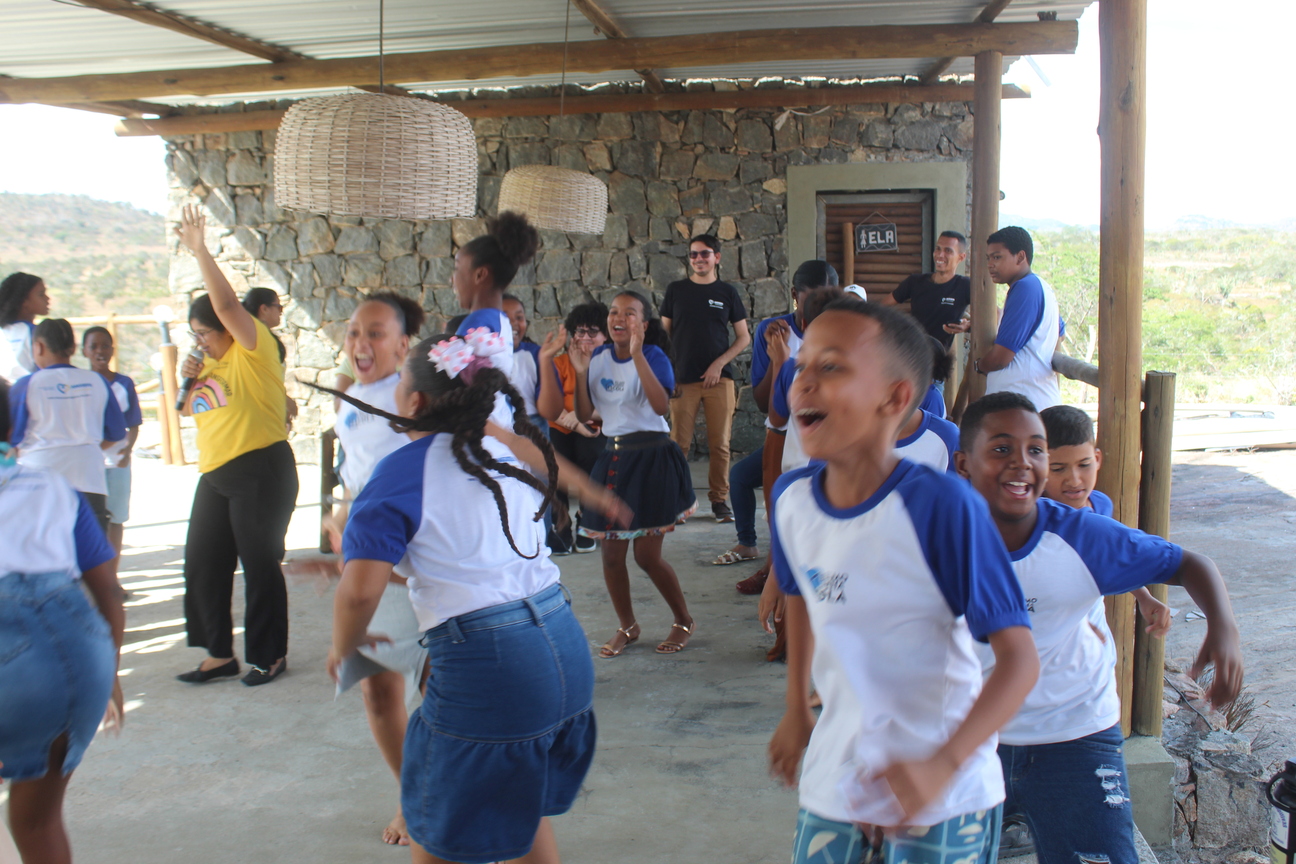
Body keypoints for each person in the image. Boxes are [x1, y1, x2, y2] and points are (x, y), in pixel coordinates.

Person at [766, 297, 1039, 864]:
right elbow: (802, 595)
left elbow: (1019, 661)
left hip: (944, 795)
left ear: (895, 398)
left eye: (831, 366)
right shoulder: (792, 501)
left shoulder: (942, 507)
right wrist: (797, 707)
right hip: (835, 779)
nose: (803, 381)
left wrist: (941, 766)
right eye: (802, 364)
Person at [329, 333, 597, 864]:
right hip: (564, 648)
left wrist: (346, 646)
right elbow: (461, 562)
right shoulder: (498, 452)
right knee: (520, 809)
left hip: (493, 668)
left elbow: (359, 593)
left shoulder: (400, 471)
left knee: (438, 836)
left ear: (415, 402)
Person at [955, 392, 1243, 864]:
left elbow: (1190, 564)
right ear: (964, 463)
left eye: (1035, 450)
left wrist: (1224, 628)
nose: (1022, 463)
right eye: (1002, 449)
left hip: (1075, 735)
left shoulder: (1082, 536)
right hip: (966, 736)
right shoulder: (930, 540)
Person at [0, 377, 125, 864]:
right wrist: (111, 674)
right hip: (82, 653)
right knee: (36, 821)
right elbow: (108, 592)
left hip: (12, 660)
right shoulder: (53, 486)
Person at [174, 204, 298, 687]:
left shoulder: (254, 348)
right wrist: (187, 379)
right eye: (195, 335)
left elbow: (226, 305)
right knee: (202, 562)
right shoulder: (207, 365)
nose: (200, 341)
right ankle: (218, 654)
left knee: (259, 564)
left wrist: (200, 251)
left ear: (228, 328)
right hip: (217, 473)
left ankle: (269, 655)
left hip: (261, 469)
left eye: (203, 333)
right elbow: (190, 411)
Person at [323, 293, 426, 846]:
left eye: (376, 333)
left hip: (422, 571)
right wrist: (340, 520)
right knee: (378, 691)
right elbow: (355, 478)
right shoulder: (350, 402)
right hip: (373, 569)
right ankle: (414, 796)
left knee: (440, 693)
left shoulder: (414, 398)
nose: (361, 344)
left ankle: (451, 797)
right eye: (354, 332)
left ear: (403, 344)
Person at [570, 291, 698, 657]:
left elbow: (659, 406)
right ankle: (627, 626)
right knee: (611, 556)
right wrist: (581, 373)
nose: (618, 318)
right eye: (614, 312)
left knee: (646, 556)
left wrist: (638, 354)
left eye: (629, 313)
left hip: (653, 459)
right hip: (614, 459)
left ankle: (683, 620)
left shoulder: (654, 356)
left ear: (643, 324)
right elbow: (585, 415)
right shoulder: (598, 358)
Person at [718, 260, 837, 572]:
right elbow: (764, 405)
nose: (820, 312)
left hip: (832, 444)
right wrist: (778, 361)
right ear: (796, 295)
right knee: (742, 478)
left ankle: (788, 565)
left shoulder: (842, 334)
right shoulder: (774, 332)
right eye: (813, 301)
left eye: (828, 301)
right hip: (789, 436)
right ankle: (750, 544)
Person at [1038, 404, 1172, 647]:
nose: (1074, 480)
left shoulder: (1100, 505)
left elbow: (1109, 555)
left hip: (1091, 635)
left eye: (1084, 464)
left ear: (1097, 459)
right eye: (1058, 469)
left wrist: (1144, 596)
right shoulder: (1031, 520)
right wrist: (1072, 625)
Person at [660, 234, 751, 523]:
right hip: (682, 380)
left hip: (719, 380)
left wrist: (718, 364)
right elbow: (663, 337)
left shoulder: (727, 292)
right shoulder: (676, 290)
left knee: (720, 444)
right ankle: (678, 502)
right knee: (679, 444)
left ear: (716, 257)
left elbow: (744, 337)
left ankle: (719, 501)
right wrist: (668, 374)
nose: (699, 259)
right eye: (694, 254)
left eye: (705, 254)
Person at [8, 319, 126, 532]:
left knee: (45, 544)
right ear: (73, 348)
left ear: (38, 347)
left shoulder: (26, 385)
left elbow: (11, 437)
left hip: (38, 477)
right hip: (90, 478)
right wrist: (86, 448)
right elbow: (116, 432)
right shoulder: (97, 381)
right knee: (88, 545)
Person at [452, 212, 539, 430]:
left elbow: (454, 384)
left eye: (457, 268)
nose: (452, 279)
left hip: (482, 430)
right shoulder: (497, 320)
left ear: (480, 275)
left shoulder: (479, 323)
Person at [537, 301, 608, 555]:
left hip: (595, 426)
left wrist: (580, 419)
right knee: (553, 457)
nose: (585, 337)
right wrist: (572, 420)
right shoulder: (559, 363)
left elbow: (615, 405)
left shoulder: (611, 364)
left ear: (605, 335)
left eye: (592, 331)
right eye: (580, 331)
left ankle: (587, 520)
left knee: (593, 454)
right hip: (560, 423)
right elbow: (545, 400)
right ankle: (561, 522)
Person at [974, 227, 1062, 410]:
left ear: (1021, 257)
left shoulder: (1025, 289)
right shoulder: (1039, 287)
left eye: (997, 257)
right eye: (988, 258)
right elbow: (1059, 333)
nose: (990, 264)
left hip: (1023, 403)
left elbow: (1001, 358)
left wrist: (979, 365)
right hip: (1027, 400)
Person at [81, 327, 142, 555]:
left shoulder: (124, 384)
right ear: (84, 351)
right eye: (93, 346)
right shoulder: (80, 384)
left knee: (116, 518)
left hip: (117, 461)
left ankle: (113, 572)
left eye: (105, 346)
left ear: (113, 350)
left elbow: (133, 422)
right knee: (91, 518)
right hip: (88, 463)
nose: (100, 351)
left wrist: (127, 451)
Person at [880, 230, 971, 352]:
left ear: (961, 257)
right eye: (938, 249)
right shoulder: (915, 281)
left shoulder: (964, 285)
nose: (940, 254)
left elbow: (992, 313)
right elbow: (882, 306)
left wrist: (968, 326)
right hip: (911, 353)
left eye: (948, 251)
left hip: (939, 357)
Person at [0, 272, 50, 383]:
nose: (47, 298)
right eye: (41, 294)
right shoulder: (36, 332)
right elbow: (47, 371)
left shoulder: (3, 331)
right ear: (24, 301)